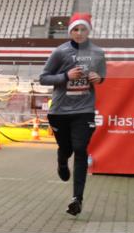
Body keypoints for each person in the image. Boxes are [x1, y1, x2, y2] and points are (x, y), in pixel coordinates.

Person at [39, 12, 106, 216]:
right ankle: (61, 160)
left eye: (83, 29)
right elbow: (43, 78)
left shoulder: (97, 52)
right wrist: (66, 76)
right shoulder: (60, 52)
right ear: (70, 32)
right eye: (75, 29)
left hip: (84, 110)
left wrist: (98, 78)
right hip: (60, 111)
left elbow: (102, 75)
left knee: (80, 148)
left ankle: (77, 199)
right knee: (67, 149)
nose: (79, 33)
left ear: (88, 31)